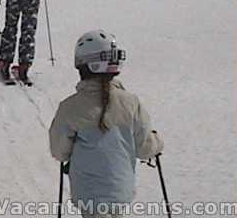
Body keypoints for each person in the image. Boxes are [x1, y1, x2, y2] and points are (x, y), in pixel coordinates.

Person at [49, 30, 164, 217]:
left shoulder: (70, 107)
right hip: (120, 191)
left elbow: (59, 150)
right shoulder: (130, 103)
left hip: (88, 195)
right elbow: (145, 147)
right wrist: (156, 142)